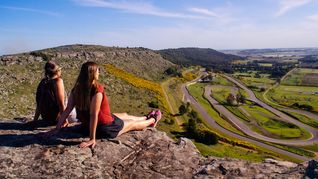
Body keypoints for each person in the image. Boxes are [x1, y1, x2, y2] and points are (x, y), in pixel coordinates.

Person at [44, 61, 161, 148]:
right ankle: (152, 120)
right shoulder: (97, 90)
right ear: (93, 74)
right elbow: (94, 115)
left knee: (123, 114)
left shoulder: (76, 90)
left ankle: (146, 116)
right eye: (98, 71)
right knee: (132, 124)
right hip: (105, 128)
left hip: (88, 126)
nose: (99, 73)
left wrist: (57, 128)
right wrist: (92, 139)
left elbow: (67, 110)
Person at [31, 60, 69, 127]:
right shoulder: (58, 81)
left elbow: (39, 103)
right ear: (57, 71)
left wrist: (35, 120)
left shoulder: (43, 82)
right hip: (58, 118)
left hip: (46, 118)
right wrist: (64, 121)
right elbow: (61, 103)